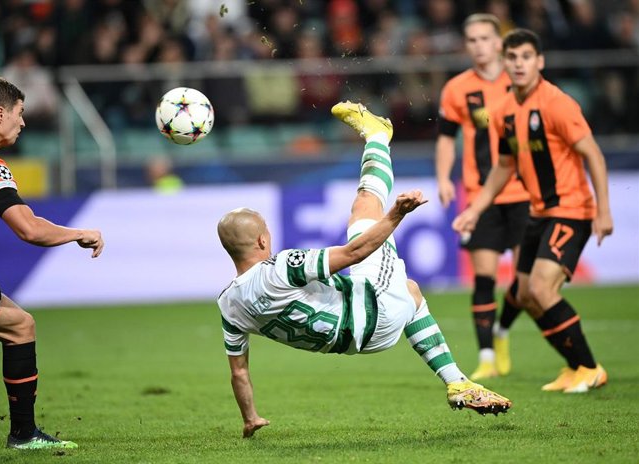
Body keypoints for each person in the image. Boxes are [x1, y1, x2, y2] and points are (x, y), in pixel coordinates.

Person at [217, 101, 512, 438]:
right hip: (376, 313)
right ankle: (377, 136)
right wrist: (397, 214)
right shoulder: (281, 268)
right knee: (364, 213)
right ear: (260, 241)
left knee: (411, 292)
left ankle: (457, 382)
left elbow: (238, 372)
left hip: (355, 342)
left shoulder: (228, 304)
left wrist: (250, 417)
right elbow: (356, 252)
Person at [453, 29, 613, 393]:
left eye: (526, 57)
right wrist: (475, 208)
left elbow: (594, 156)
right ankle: (575, 367)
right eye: (513, 57)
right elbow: (503, 167)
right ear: (504, 61)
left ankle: (589, 367)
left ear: (539, 61)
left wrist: (603, 211)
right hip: (538, 214)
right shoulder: (506, 110)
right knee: (524, 293)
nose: (519, 64)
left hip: (571, 210)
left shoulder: (558, 104)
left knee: (541, 287)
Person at [0, 76, 104, 449]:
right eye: (19, 113)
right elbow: (29, 229)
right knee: (21, 326)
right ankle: (23, 435)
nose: (23, 122)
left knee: (13, 315)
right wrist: (78, 233)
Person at [435, 13, 530, 381]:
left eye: (484, 38)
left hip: (525, 192)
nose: (477, 46)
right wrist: (444, 177)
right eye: (471, 39)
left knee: (523, 284)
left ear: (499, 43)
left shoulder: (521, 80)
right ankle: (487, 356)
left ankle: (503, 331)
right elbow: (446, 138)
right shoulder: (457, 89)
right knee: (485, 279)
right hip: (479, 195)